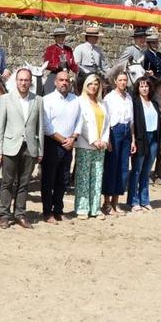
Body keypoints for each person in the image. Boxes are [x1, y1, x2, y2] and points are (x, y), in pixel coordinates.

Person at [0, 67, 44, 229]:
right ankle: (4, 215)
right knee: (7, 182)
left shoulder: (38, 100)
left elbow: (40, 128)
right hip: (10, 146)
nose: (23, 83)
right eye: (21, 80)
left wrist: (40, 150)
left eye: (26, 80)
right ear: (16, 81)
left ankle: (20, 214)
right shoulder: (5, 99)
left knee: (24, 183)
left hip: (30, 147)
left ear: (31, 82)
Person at [41, 70, 82, 223]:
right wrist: (63, 140)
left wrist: (73, 138)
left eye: (67, 80)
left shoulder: (76, 100)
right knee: (48, 180)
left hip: (69, 145)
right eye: (61, 80)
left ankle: (58, 210)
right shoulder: (47, 100)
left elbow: (80, 121)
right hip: (52, 144)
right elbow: (46, 125)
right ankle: (47, 212)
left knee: (63, 179)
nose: (64, 83)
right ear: (55, 82)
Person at [74, 73, 110, 220]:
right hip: (85, 144)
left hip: (101, 146)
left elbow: (107, 123)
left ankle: (95, 208)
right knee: (83, 177)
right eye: (90, 84)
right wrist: (93, 140)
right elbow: (80, 124)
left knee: (97, 177)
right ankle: (82, 209)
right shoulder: (79, 101)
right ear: (85, 86)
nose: (93, 87)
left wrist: (105, 141)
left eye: (96, 84)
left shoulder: (103, 103)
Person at [102, 72, 136, 216]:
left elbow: (132, 121)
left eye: (125, 80)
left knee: (123, 168)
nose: (123, 82)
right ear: (115, 81)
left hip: (126, 132)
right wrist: (108, 138)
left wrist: (133, 139)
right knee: (111, 167)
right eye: (120, 80)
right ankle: (107, 202)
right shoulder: (109, 98)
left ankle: (116, 201)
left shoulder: (129, 97)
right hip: (113, 132)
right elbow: (106, 119)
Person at [127, 77, 160, 213]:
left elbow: (160, 124)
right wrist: (133, 140)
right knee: (137, 170)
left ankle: (145, 200)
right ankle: (133, 201)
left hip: (153, 138)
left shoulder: (154, 103)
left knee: (146, 171)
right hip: (141, 138)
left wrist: (160, 140)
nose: (144, 88)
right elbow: (132, 123)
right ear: (138, 88)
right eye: (141, 86)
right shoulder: (135, 103)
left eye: (146, 86)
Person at [73, 26, 110, 93]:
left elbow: (104, 66)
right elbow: (76, 63)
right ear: (89, 37)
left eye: (97, 36)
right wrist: (86, 71)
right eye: (95, 36)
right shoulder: (79, 48)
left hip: (96, 73)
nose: (97, 38)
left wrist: (110, 72)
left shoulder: (98, 50)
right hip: (83, 74)